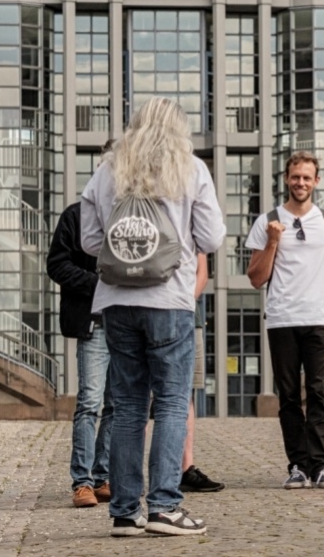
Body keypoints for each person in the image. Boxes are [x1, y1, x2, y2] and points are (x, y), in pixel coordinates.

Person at [82, 97, 225, 537]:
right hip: (170, 298)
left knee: (127, 406)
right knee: (170, 403)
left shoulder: (109, 170)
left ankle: (125, 512)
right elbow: (212, 237)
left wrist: (129, 255)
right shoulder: (191, 168)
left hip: (117, 300)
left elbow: (90, 241)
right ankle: (164, 507)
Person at [246, 151, 324, 490]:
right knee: (288, 396)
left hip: (319, 318)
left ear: (316, 181)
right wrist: (273, 241)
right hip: (282, 319)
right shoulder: (267, 221)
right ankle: (298, 465)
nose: (301, 182)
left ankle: (321, 465)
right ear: (287, 179)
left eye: (307, 177)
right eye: (295, 176)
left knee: (318, 393)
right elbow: (256, 277)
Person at [48, 197, 113, 508]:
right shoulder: (76, 215)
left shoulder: (134, 212)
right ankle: (82, 482)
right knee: (89, 402)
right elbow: (56, 264)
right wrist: (97, 284)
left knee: (118, 406)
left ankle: (103, 477)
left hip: (128, 322)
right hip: (94, 322)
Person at [180, 252, 225, 493]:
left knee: (186, 394)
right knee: (141, 397)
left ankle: (186, 469)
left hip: (188, 316)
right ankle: (131, 475)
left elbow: (202, 272)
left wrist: (182, 305)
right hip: (148, 313)